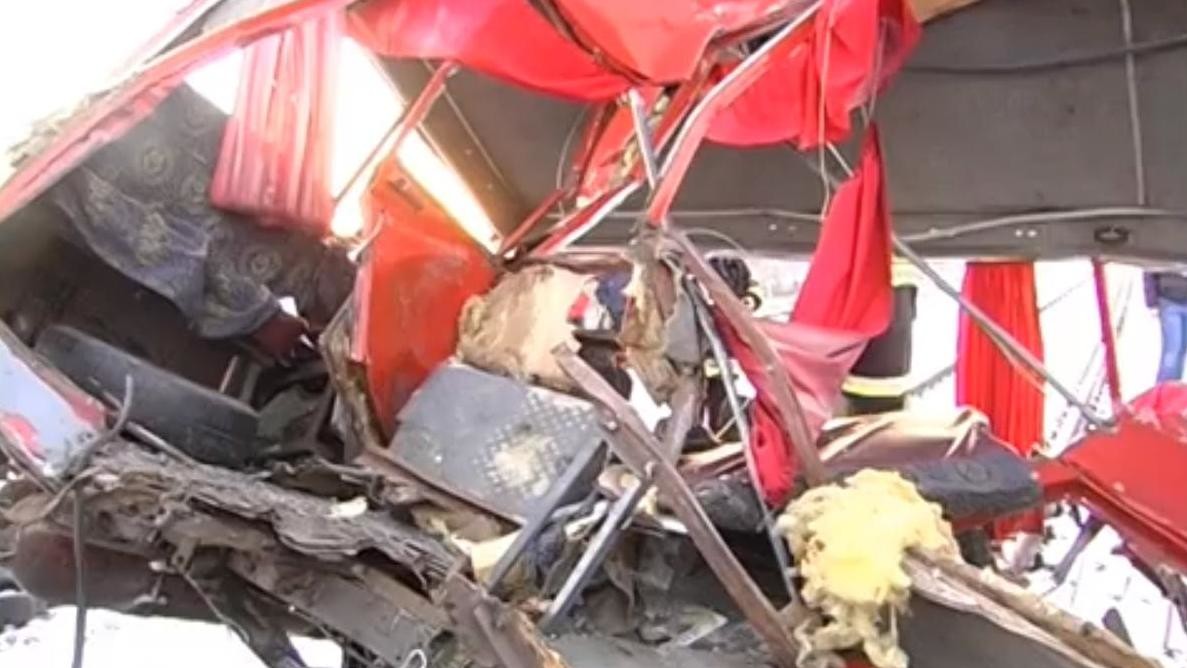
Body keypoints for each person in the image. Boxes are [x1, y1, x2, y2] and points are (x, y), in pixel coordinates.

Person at [1145, 269, 1187, 382]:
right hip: (1169, 300)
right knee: (1172, 350)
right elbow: (1149, 269)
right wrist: (1152, 301)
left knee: (1181, 350)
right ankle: (1163, 387)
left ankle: (1173, 387)